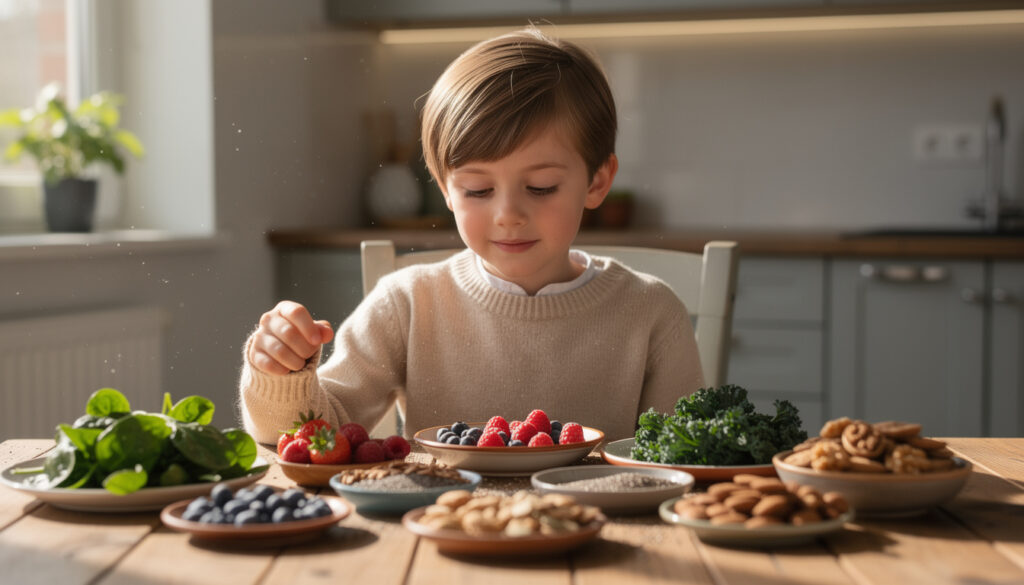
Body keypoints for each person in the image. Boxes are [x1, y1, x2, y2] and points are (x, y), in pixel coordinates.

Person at [238, 27, 704, 444]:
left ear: (597, 182)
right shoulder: (407, 304)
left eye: (541, 187)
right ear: (445, 190)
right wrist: (281, 375)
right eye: (478, 190)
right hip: (440, 515)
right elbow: (315, 434)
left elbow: (683, 462)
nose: (508, 215)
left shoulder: (652, 313)